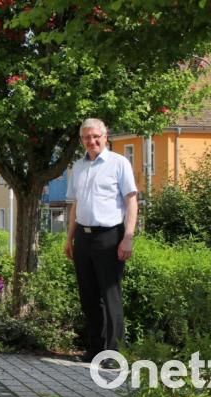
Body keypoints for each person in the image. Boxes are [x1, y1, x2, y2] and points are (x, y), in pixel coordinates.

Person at [64, 118, 138, 370]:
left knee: (110, 295)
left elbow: (131, 201)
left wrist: (128, 236)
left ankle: (115, 353)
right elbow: (75, 205)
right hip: (83, 237)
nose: (92, 141)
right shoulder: (78, 167)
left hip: (110, 236)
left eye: (96, 136)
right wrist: (69, 238)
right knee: (88, 297)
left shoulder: (119, 163)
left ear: (106, 137)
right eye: (86, 137)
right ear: (82, 140)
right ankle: (95, 349)